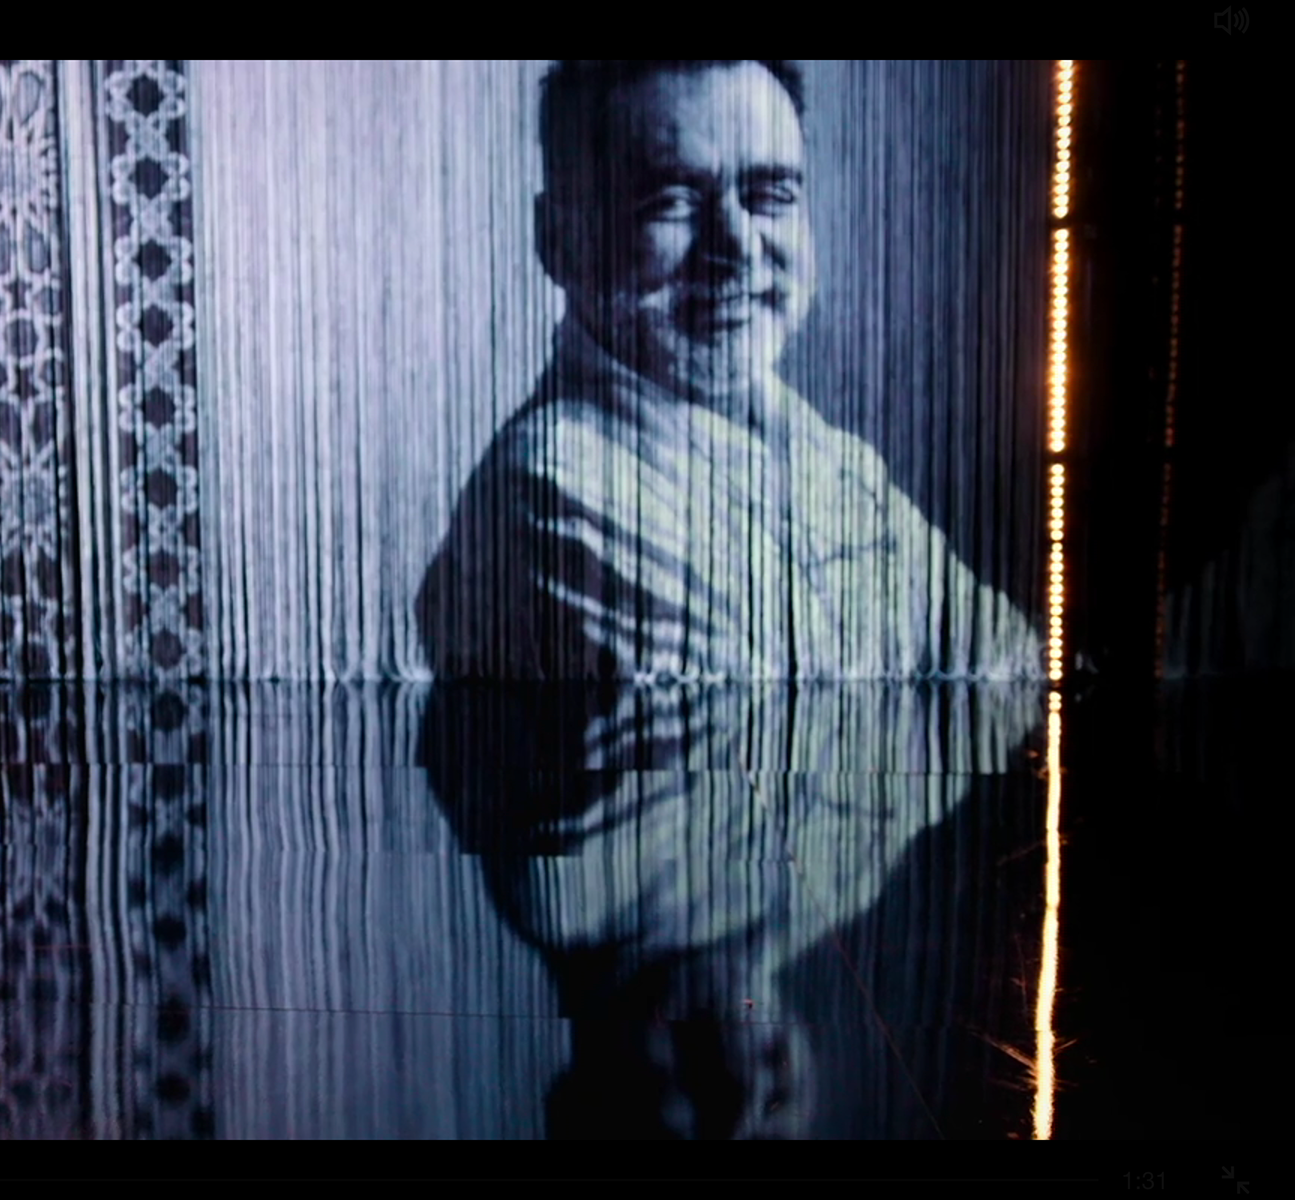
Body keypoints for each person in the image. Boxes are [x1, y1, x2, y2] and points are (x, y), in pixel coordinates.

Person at [416, 61, 1043, 1137]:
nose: (739, 250)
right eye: (672, 201)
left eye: (769, 194)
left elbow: (1008, 662)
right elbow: (779, 693)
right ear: (560, 240)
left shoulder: (829, 459)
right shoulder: (552, 494)